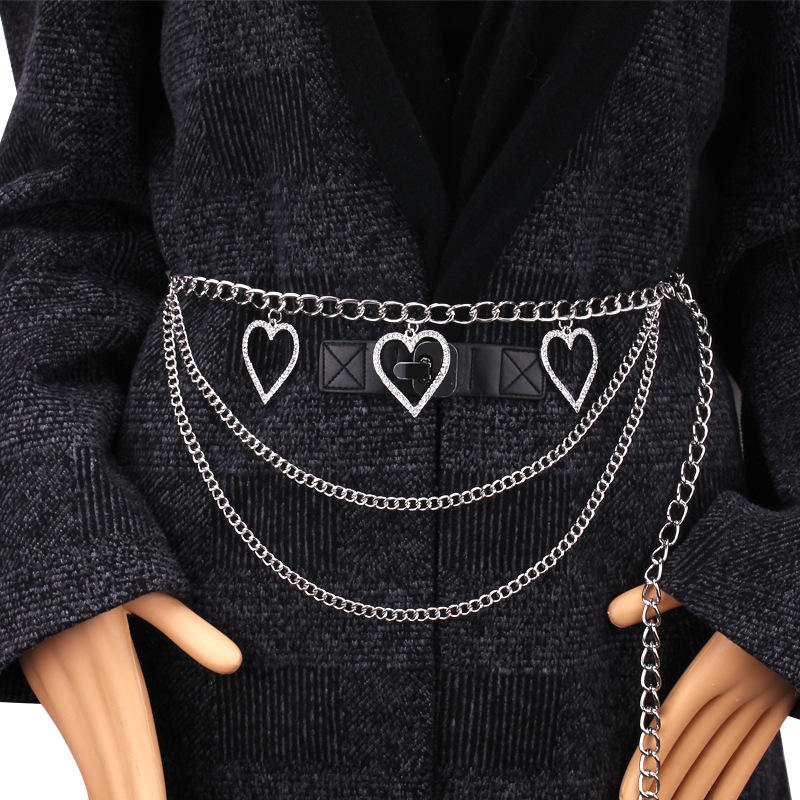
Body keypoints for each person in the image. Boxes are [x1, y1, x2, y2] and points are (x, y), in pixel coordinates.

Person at [0, 2, 798, 798]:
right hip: (224, 642)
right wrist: (62, 533)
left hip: (638, 643)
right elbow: (63, 216)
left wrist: (785, 581)